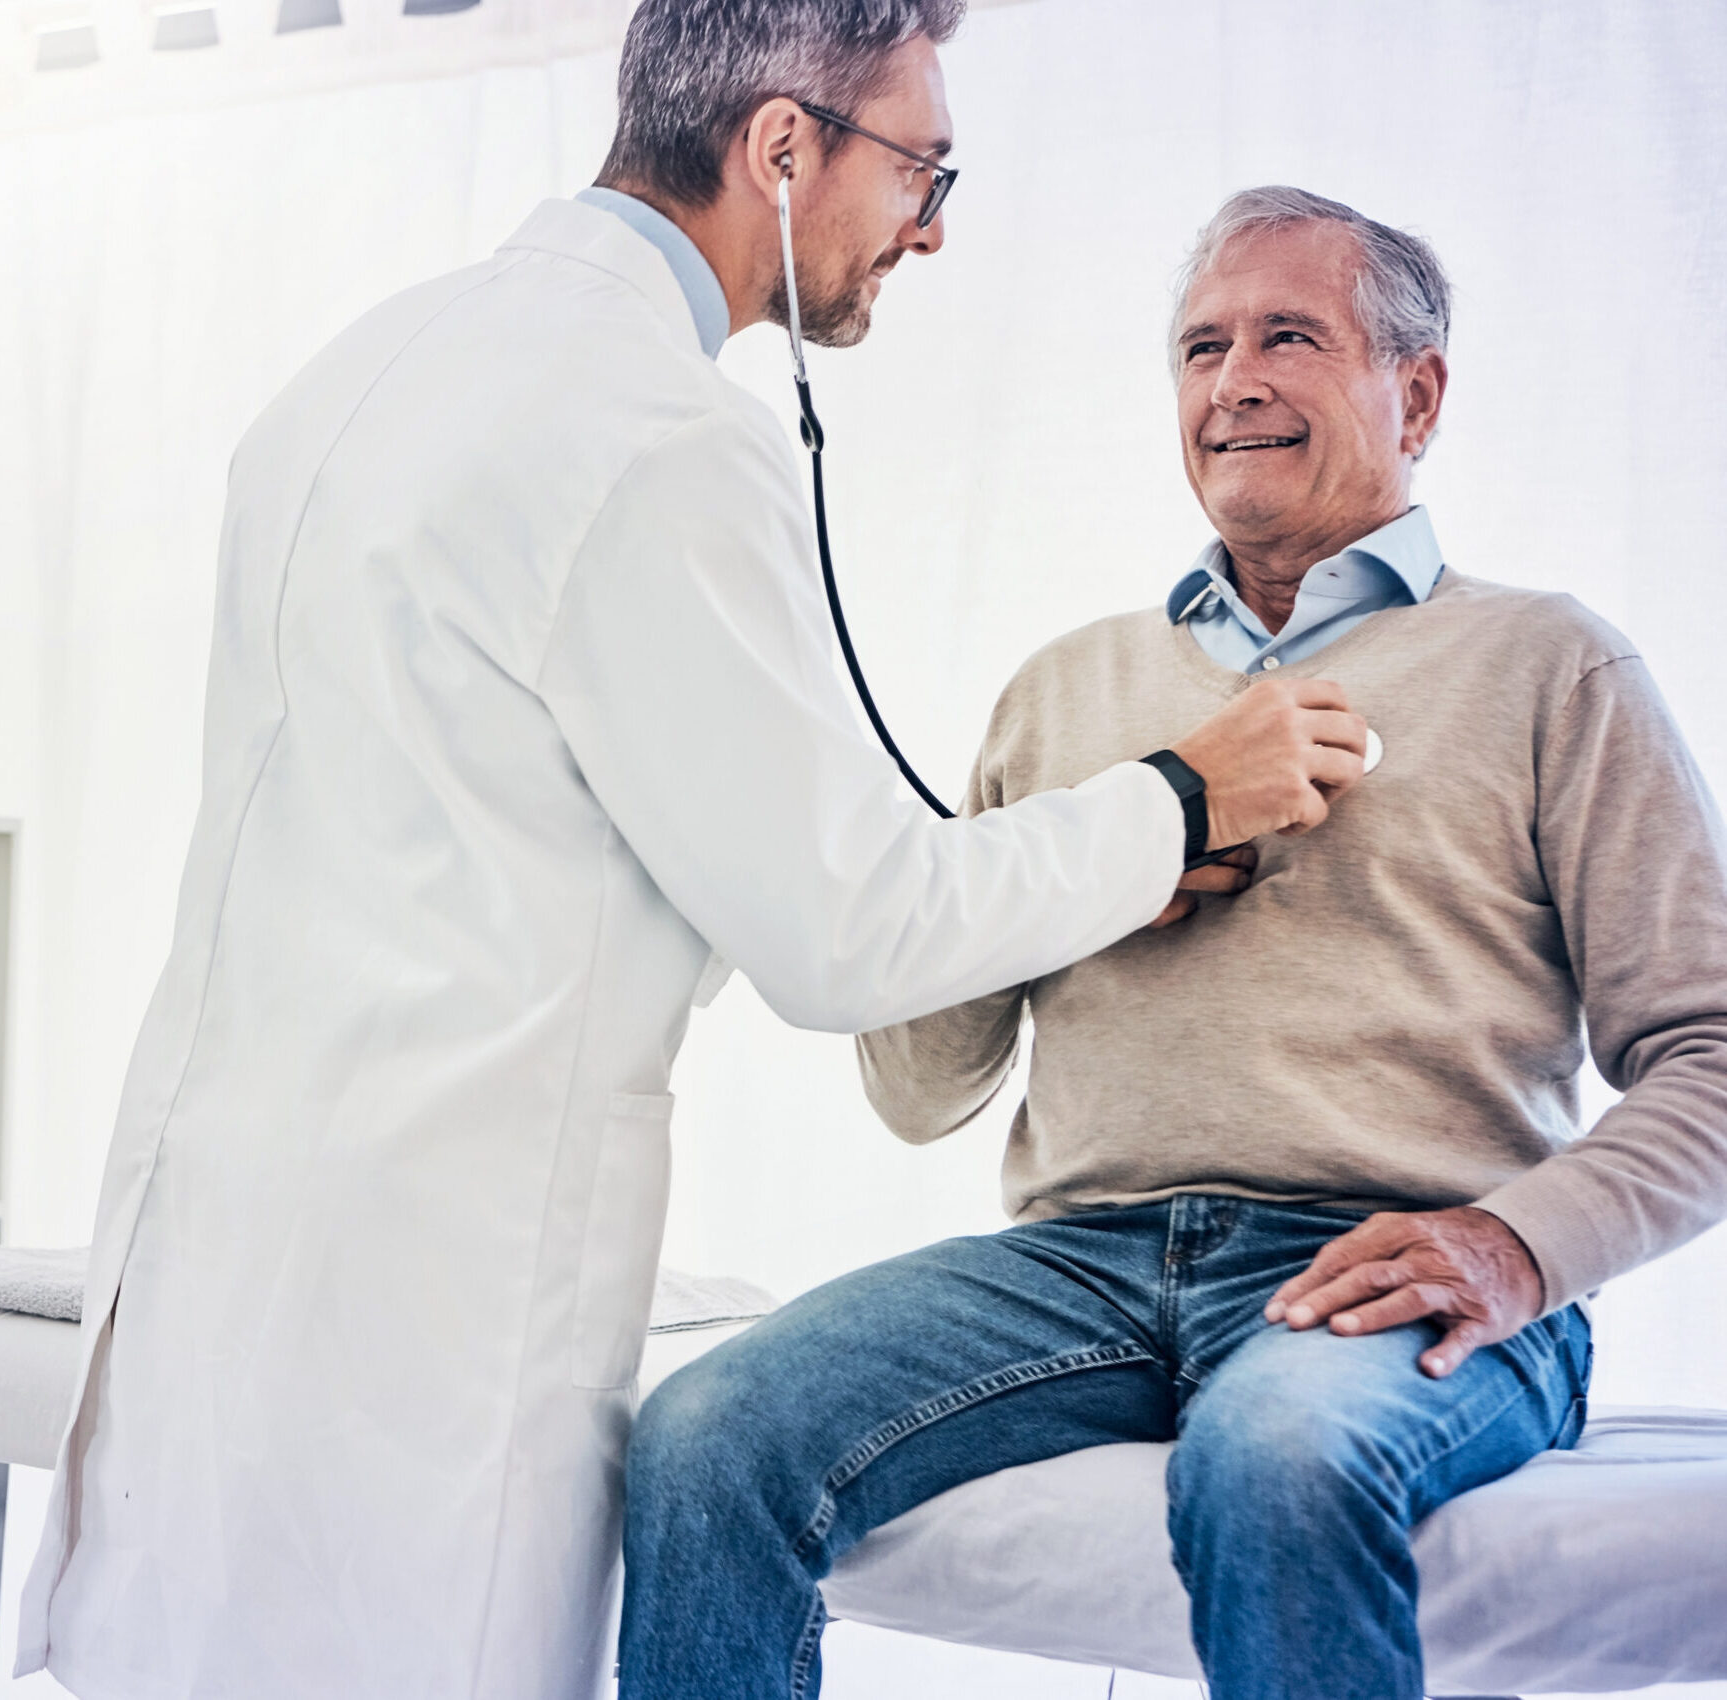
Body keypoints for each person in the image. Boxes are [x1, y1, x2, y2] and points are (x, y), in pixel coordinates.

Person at [14, 0, 1369, 1700]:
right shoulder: (656, 437)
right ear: (784, 148)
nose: (931, 232)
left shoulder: (356, 370)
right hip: (428, 1296)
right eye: (922, 170)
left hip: (223, 1240)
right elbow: (847, 932)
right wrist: (1178, 797)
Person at [618, 186, 1727, 1700]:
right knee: (700, 1433)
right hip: (1075, 1265)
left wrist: (1514, 1249)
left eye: (1288, 336)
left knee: (1278, 1460)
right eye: (1202, 346)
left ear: (1418, 391)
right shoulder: (1064, 692)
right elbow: (916, 1086)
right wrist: (1090, 862)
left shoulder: (1549, 663)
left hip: (1375, 1264)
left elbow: (1710, 1056)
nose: (1232, 381)